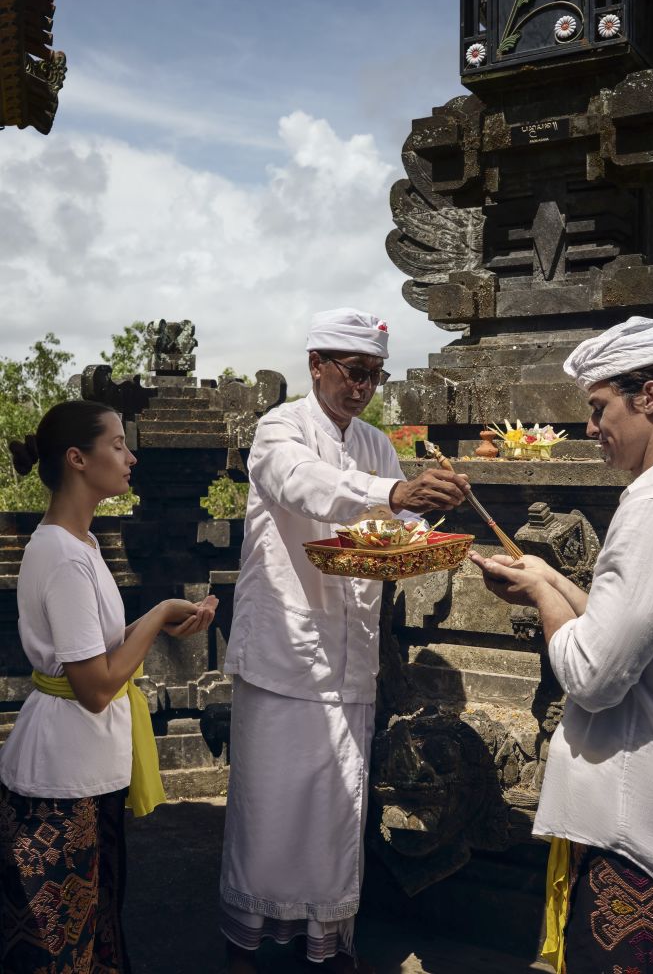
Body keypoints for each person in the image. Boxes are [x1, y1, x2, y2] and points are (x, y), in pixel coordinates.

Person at [220, 309, 469, 974]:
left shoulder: (376, 442)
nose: (363, 387)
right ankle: (258, 943)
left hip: (351, 650)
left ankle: (324, 941)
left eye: (374, 376)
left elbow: (400, 520)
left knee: (339, 805)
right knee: (272, 807)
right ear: (317, 367)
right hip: (286, 644)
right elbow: (305, 485)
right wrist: (393, 491)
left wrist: (432, 504)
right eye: (354, 373)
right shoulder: (280, 430)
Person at [469, 316, 653, 974]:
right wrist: (550, 578)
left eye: (599, 406)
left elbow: (593, 673)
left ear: (652, 398)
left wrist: (547, 600)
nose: (590, 427)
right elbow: (644, 638)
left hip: (640, 838)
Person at [0, 400, 218, 973]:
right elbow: (95, 685)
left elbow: (93, 645)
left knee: (97, 930)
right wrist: (159, 614)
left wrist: (158, 620)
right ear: (77, 459)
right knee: (61, 948)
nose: (131, 455)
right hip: (60, 775)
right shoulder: (64, 556)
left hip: (89, 766)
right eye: (118, 444)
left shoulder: (85, 545)